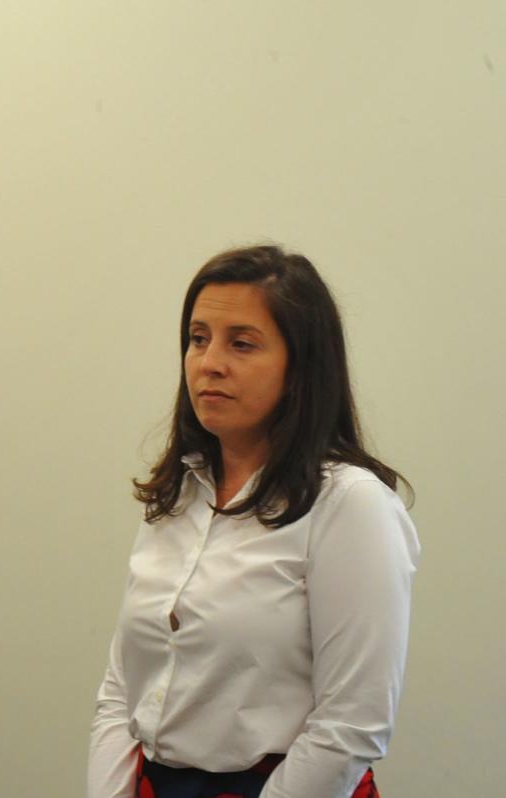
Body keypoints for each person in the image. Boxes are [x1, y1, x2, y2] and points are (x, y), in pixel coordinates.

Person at [87, 245, 419, 798]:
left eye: (241, 343)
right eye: (198, 338)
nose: (209, 362)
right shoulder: (175, 493)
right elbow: (123, 688)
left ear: (299, 369)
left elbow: (352, 724)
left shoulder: (350, 505)